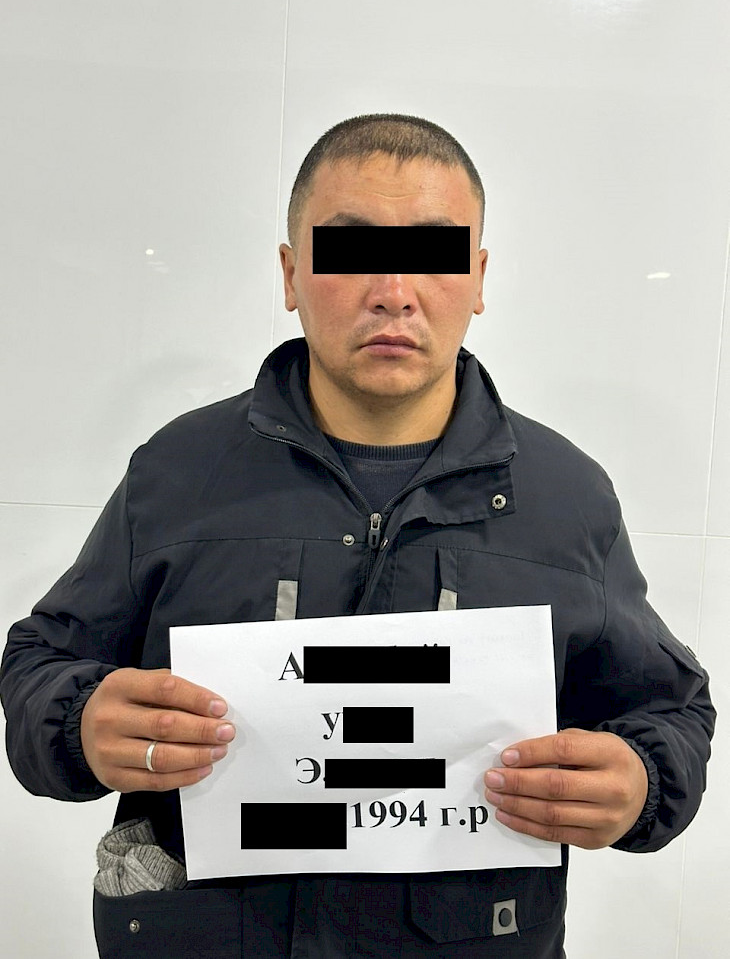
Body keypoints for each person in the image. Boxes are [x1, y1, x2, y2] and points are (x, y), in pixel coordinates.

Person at [0, 113, 715, 959]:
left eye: (436, 253)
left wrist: (640, 781)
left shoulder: (568, 497)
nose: (394, 290)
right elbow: (39, 660)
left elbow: (671, 708)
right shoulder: (177, 471)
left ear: (479, 278)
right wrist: (81, 721)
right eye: (349, 251)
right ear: (290, 273)